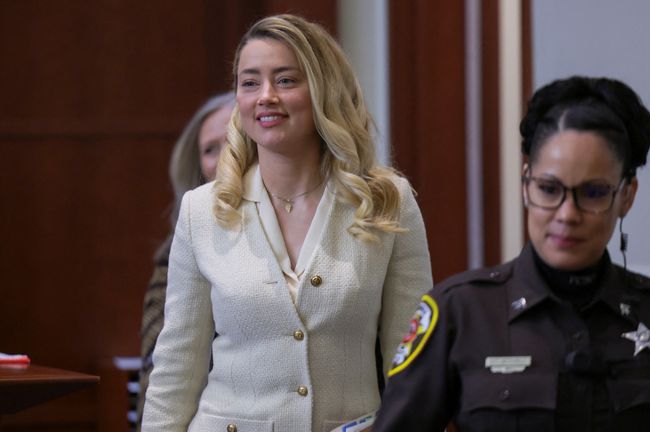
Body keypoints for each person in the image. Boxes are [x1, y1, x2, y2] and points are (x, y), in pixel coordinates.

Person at [374, 76, 650, 431]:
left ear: (626, 196)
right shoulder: (460, 313)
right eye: (549, 189)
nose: (567, 214)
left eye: (592, 193)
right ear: (526, 184)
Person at [141, 14, 432, 432]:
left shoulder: (388, 200)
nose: (265, 97)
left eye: (285, 80)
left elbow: (411, 362)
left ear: (323, 91)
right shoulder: (201, 211)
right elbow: (176, 370)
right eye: (250, 82)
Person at [136, 91, 235, 426]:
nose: (225, 157)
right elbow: (161, 371)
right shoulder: (176, 254)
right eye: (210, 149)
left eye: (236, 139)